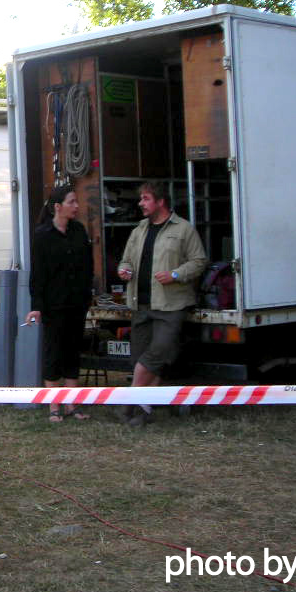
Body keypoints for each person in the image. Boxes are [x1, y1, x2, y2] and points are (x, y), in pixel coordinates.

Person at [117, 181, 207, 427]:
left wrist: (175, 275)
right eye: (141, 199)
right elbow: (125, 261)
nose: (140, 204)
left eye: (145, 199)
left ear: (160, 202)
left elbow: (199, 261)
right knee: (141, 360)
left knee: (153, 357)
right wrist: (124, 270)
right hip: (141, 305)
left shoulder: (184, 229)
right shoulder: (139, 230)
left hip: (171, 306)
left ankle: (128, 404)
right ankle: (143, 412)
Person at [25, 185, 94, 422]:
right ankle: (54, 407)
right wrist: (37, 305)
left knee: (73, 352)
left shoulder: (78, 231)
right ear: (58, 207)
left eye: (76, 202)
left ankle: (72, 405)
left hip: (77, 303)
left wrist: (87, 295)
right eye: (71, 202)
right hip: (54, 305)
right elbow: (38, 275)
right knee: (53, 352)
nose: (76, 206)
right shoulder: (43, 235)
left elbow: (87, 266)